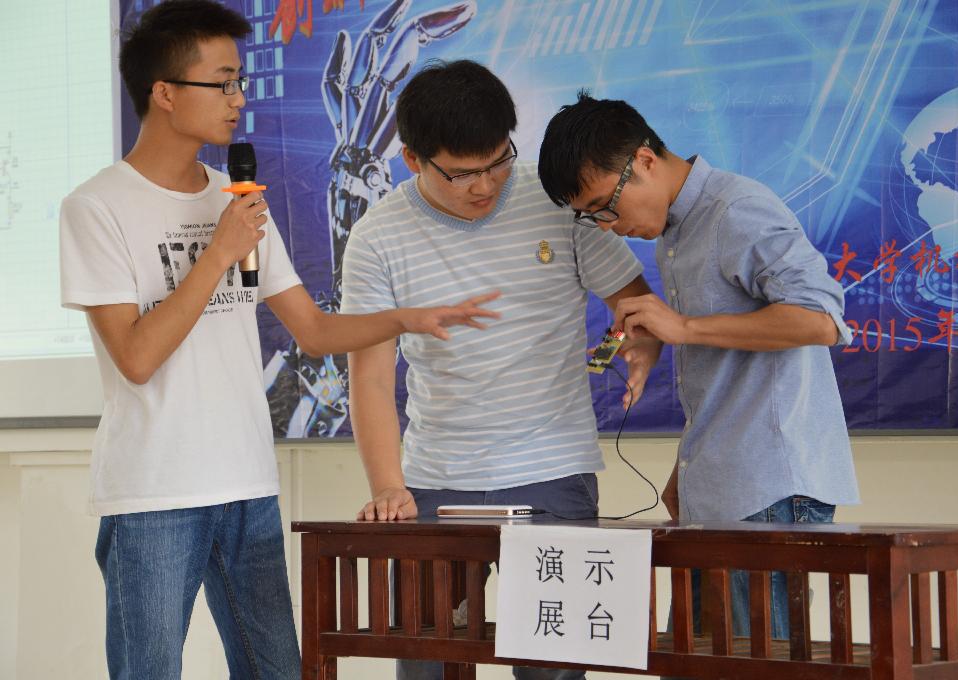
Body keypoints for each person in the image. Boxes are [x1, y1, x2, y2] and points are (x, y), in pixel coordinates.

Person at [58, 3, 497, 678]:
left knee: (278, 671)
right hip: (152, 493)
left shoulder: (233, 197)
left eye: (240, 82)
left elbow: (314, 331)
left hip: (247, 484)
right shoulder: (96, 207)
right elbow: (137, 357)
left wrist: (409, 318)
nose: (239, 99)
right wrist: (218, 252)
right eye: (223, 83)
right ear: (165, 92)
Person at [340, 60, 661, 680]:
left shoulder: (556, 200)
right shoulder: (378, 238)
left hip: (554, 474)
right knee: (427, 663)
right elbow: (371, 378)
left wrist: (631, 346)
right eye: (462, 173)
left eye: (498, 162)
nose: (485, 185)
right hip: (436, 482)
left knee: (554, 666)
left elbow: (632, 303)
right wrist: (388, 486)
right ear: (412, 159)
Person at [537, 93, 860, 642]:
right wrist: (688, 469)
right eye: (592, 218)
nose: (609, 226)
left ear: (643, 160)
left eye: (605, 206)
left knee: (750, 665)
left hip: (768, 489)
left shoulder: (736, 210)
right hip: (721, 485)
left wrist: (684, 327)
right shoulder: (677, 230)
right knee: (698, 659)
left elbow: (821, 319)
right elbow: (731, 378)